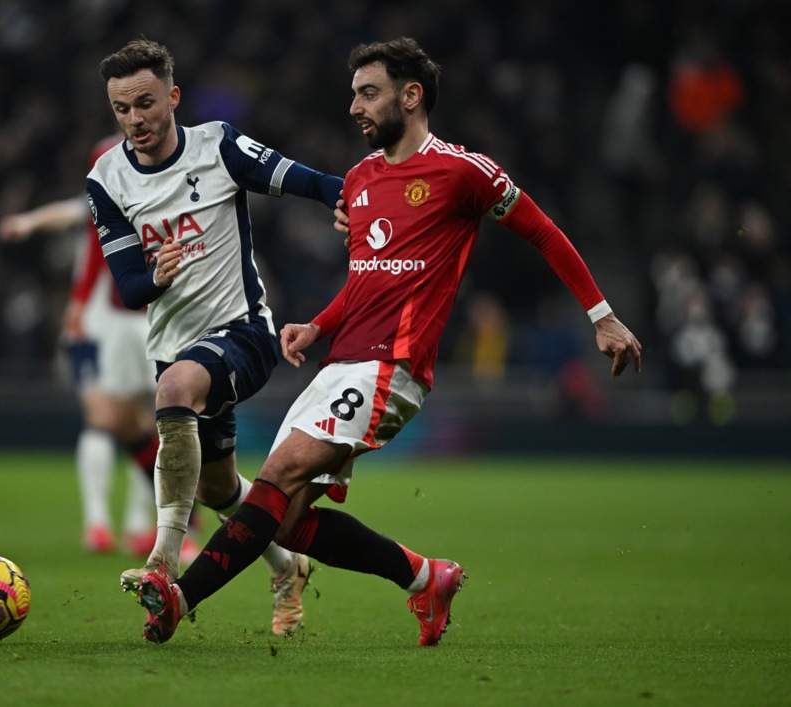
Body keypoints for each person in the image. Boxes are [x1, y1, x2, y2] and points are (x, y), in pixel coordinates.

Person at [134, 37, 643, 646]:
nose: (355, 106)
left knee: (279, 473)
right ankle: (426, 577)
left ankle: (179, 596)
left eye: (368, 93)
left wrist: (602, 315)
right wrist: (320, 324)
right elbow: (366, 279)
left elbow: (544, 232)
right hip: (342, 362)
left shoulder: (464, 172)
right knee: (289, 521)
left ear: (411, 96)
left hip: (393, 368)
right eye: (353, 94)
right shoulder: (359, 180)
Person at [86, 39, 344, 636]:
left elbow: (301, 179)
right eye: (121, 109)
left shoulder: (218, 145)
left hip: (244, 332)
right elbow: (127, 286)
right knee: (218, 487)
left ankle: (161, 561)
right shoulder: (106, 178)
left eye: (145, 103)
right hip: (172, 347)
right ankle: (287, 565)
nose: (134, 120)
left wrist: (350, 198)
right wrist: (154, 276)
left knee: (176, 388)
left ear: (173, 97)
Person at [0, 136, 175, 557]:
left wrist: (29, 222)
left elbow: (75, 218)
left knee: (127, 422)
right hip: (108, 324)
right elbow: (71, 213)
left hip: (114, 325)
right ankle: (110, 524)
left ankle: (122, 524)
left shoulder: (131, 202)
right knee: (119, 419)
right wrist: (29, 222)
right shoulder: (120, 201)